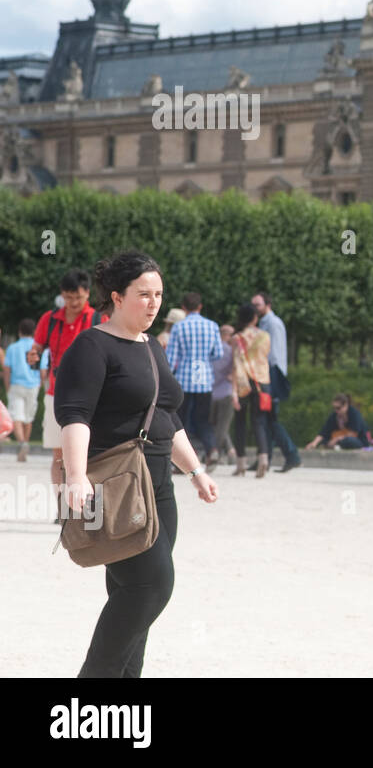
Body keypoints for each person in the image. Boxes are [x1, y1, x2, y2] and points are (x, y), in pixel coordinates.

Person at [54, 249, 218, 677]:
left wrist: (196, 471)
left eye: (159, 294)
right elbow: (74, 415)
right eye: (143, 294)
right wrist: (74, 477)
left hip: (159, 485)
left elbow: (167, 416)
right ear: (117, 297)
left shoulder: (152, 347)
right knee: (152, 586)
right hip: (114, 484)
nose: (153, 303)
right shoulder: (91, 346)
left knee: (131, 594)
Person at [30, 270, 101, 482]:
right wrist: (33, 355)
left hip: (91, 395)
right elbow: (37, 347)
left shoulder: (98, 319)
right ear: (62, 295)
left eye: (78, 297)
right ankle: (63, 511)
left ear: (87, 293)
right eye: (68, 297)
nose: (73, 302)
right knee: (59, 457)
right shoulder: (49, 319)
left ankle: (88, 511)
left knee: (91, 455)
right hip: (56, 394)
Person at [164, 292, 224, 467]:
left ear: (183, 308)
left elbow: (171, 358)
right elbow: (218, 353)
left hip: (184, 379)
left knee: (180, 423)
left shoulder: (178, 327)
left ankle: (186, 460)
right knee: (203, 420)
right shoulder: (212, 326)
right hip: (204, 380)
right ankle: (212, 449)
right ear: (200, 307)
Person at [251, 291, 301, 472]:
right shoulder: (265, 323)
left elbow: (275, 354)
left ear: (267, 304)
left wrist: (270, 379)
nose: (254, 308)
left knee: (271, 419)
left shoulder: (273, 324)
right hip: (269, 375)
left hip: (271, 376)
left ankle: (291, 454)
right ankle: (267, 457)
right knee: (267, 419)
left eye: (257, 305)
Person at [231, 303, 274, 478]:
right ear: (255, 318)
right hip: (262, 381)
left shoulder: (237, 338)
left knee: (240, 423)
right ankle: (263, 458)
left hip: (243, 382)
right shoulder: (265, 336)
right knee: (259, 422)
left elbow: (236, 364)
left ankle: (241, 462)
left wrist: (234, 390)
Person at [3, 318, 42, 461]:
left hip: (17, 384)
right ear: (34, 332)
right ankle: (24, 445)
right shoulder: (37, 347)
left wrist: (7, 387)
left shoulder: (13, 348)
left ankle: (22, 443)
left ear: (19, 331)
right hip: (33, 385)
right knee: (28, 418)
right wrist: (41, 383)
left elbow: (7, 370)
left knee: (16, 417)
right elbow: (42, 368)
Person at [209, 324, 239, 473]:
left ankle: (230, 450)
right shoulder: (231, 351)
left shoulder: (212, 350)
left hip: (211, 393)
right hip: (227, 392)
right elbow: (236, 370)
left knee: (215, 425)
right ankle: (215, 452)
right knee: (223, 426)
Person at [305, 393, 372, 449]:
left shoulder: (354, 414)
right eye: (334, 408)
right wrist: (314, 443)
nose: (336, 411)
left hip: (359, 441)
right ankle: (334, 446)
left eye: (338, 408)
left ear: (345, 405)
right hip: (340, 439)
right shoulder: (334, 415)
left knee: (349, 440)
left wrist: (336, 439)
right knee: (324, 440)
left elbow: (354, 434)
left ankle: (335, 446)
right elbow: (324, 432)